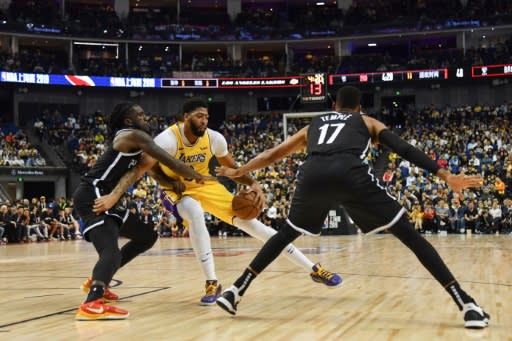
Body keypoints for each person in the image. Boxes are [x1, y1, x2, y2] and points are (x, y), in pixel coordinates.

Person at [215, 86, 489, 329]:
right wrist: (446, 176)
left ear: (334, 105)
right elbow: (403, 149)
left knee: (285, 234)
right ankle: (466, 304)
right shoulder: (366, 121)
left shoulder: (314, 124)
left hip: (313, 174)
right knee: (410, 236)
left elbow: (271, 154)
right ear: (359, 108)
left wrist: (239, 170)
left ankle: (235, 290)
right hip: (350, 173)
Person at [147, 98, 341, 305]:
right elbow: (150, 167)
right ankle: (212, 281)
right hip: (174, 189)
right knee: (194, 211)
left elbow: (233, 170)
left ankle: (314, 269)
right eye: (199, 116)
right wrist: (168, 182)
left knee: (254, 226)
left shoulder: (214, 139)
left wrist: (253, 184)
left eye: (206, 117)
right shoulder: (166, 140)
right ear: (186, 118)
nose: (204, 121)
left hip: (205, 185)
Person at [73, 102, 210, 320]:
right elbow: (171, 161)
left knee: (147, 236)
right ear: (129, 120)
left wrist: (169, 183)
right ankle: (92, 303)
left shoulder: (135, 141)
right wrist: (205, 177)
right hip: (93, 194)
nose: (146, 118)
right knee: (111, 251)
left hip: (107, 195)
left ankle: (100, 280)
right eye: (141, 115)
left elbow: (147, 169)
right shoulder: (132, 135)